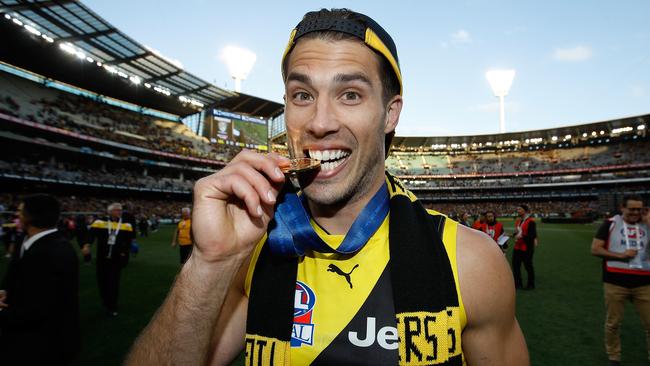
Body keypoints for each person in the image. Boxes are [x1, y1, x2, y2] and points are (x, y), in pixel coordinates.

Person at [126, 8, 528, 365]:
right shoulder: (252, 251)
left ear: (390, 114)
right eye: (302, 95)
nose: (320, 122)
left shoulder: (470, 262)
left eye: (350, 95)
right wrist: (208, 264)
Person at [0, 194, 79, 365]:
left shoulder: (54, 253)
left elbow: (36, 309)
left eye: (20, 212)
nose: (17, 216)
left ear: (30, 217)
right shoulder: (27, 239)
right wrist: (4, 291)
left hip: (41, 343)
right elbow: (14, 274)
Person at [591, 195, 650, 366]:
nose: (636, 212)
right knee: (613, 323)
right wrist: (621, 255)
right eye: (632, 209)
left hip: (644, 283)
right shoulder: (610, 224)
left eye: (639, 209)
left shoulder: (646, 224)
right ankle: (614, 357)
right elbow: (595, 249)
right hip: (615, 282)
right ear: (623, 208)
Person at [82, 202, 134, 316]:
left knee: (114, 282)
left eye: (120, 210)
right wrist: (86, 245)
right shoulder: (100, 222)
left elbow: (128, 243)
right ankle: (106, 302)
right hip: (102, 258)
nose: (119, 212)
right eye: (116, 210)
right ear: (110, 211)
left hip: (116, 259)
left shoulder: (126, 225)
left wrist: (125, 256)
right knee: (102, 281)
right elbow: (90, 235)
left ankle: (112, 305)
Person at [512, 204, 537, 289]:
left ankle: (531, 284)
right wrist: (512, 234)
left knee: (528, 266)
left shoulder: (531, 221)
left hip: (527, 248)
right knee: (516, 266)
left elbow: (532, 235)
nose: (518, 210)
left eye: (519, 209)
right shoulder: (519, 221)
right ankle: (518, 284)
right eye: (517, 209)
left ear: (525, 211)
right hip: (517, 247)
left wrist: (522, 237)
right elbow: (518, 232)